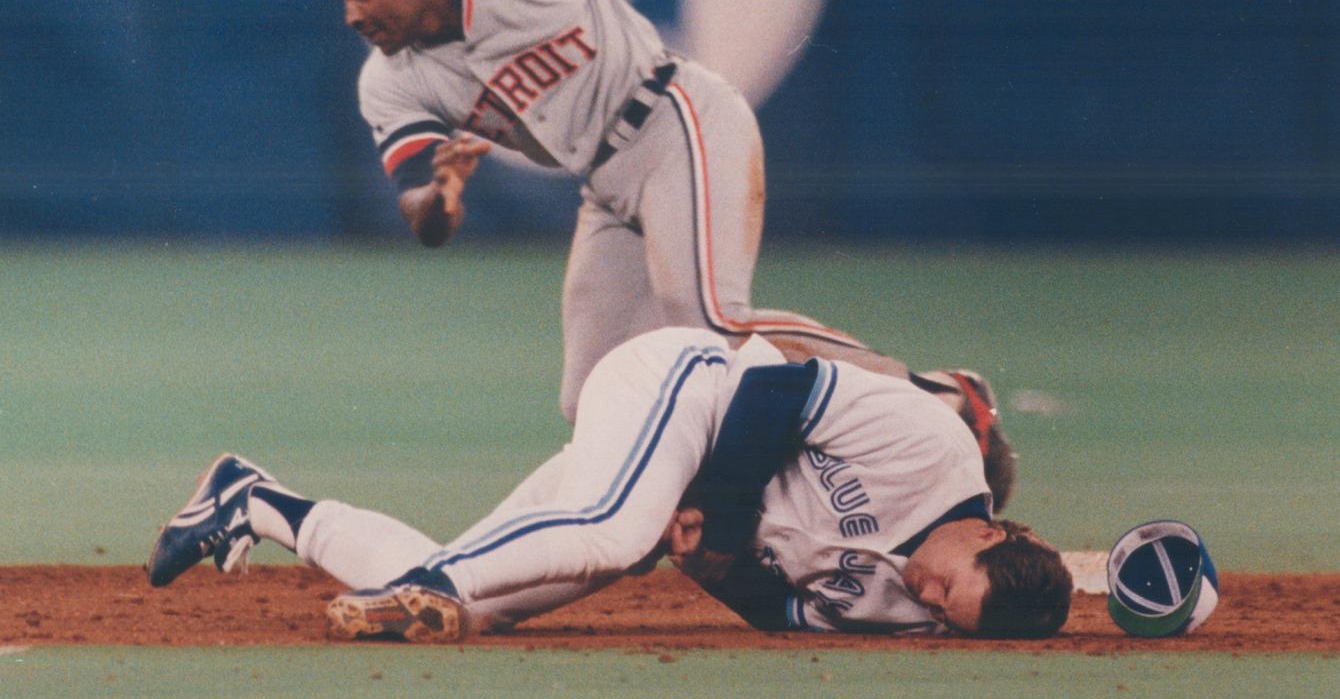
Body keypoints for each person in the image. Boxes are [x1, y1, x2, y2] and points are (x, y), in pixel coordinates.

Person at [326, 0, 1017, 505]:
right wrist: (440, 201)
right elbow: (418, 204)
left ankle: (935, 395)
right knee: (591, 394)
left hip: (677, 119)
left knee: (709, 318)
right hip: (607, 187)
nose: (352, 14)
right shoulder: (391, 80)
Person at [147, 328, 1070, 641]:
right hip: (688, 389)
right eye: (955, 587)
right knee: (613, 529)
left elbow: (781, 615)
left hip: (675, 485)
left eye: (948, 617)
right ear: (995, 533)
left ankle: (253, 500)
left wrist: (712, 566)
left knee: (490, 600)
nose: (930, 599)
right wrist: (718, 522)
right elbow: (776, 384)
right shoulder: (935, 450)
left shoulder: (912, 610)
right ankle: (426, 592)